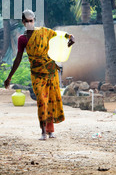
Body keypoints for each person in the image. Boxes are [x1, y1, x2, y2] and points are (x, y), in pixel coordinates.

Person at [4, 9, 75, 140]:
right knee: (42, 100)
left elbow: (60, 35)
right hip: (36, 73)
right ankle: (43, 131)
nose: (30, 23)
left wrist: (70, 37)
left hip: (50, 71)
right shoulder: (22, 39)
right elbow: (18, 58)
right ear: (23, 22)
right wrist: (9, 77)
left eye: (32, 21)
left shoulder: (45, 32)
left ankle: (50, 130)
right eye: (27, 21)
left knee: (51, 100)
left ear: (34, 20)